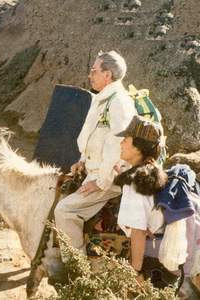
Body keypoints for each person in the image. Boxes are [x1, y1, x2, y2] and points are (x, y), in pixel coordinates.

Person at [54, 50, 136, 256]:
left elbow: (117, 148)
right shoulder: (103, 100)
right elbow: (93, 136)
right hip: (94, 170)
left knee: (64, 211)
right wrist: (82, 160)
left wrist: (100, 182)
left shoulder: (119, 103)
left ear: (107, 75)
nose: (90, 75)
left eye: (94, 71)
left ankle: (76, 265)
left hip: (110, 178)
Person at [113, 115, 182, 289]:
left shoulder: (137, 181)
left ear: (138, 147)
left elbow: (138, 230)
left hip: (151, 262)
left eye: (126, 139)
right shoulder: (152, 172)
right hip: (165, 257)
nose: (121, 143)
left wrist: (135, 272)